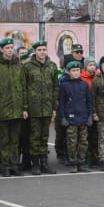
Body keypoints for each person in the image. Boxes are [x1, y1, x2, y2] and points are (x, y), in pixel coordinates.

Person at [0, 38, 28, 177]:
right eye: (7, 48)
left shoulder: (19, 67)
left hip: (17, 109)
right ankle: (5, 166)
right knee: (4, 140)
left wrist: (24, 108)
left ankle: (14, 165)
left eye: (11, 47)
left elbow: (23, 89)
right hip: (2, 110)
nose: (10, 50)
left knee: (15, 140)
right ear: (2, 50)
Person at [24, 40, 58, 175]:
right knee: (34, 137)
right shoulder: (28, 67)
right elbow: (24, 88)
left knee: (44, 137)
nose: (42, 52)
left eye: (44, 49)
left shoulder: (52, 66)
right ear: (34, 52)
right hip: (34, 108)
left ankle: (44, 163)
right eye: (39, 50)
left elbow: (56, 87)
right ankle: (35, 164)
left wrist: (54, 107)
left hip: (47, 107)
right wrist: (25, 107)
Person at [59, 61, 93, 173]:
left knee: (83, 142)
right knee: (71, 142)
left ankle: (81, 162)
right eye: (73, 71)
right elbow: (62, 103)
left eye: (78, 70)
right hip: (71, 118)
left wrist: (90, 115)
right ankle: (73, 163)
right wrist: (63, 117)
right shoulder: (64, 85)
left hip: (83, 117)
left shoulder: (84, 84)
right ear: (69, 72)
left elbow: (89, 101)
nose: (76, 73)